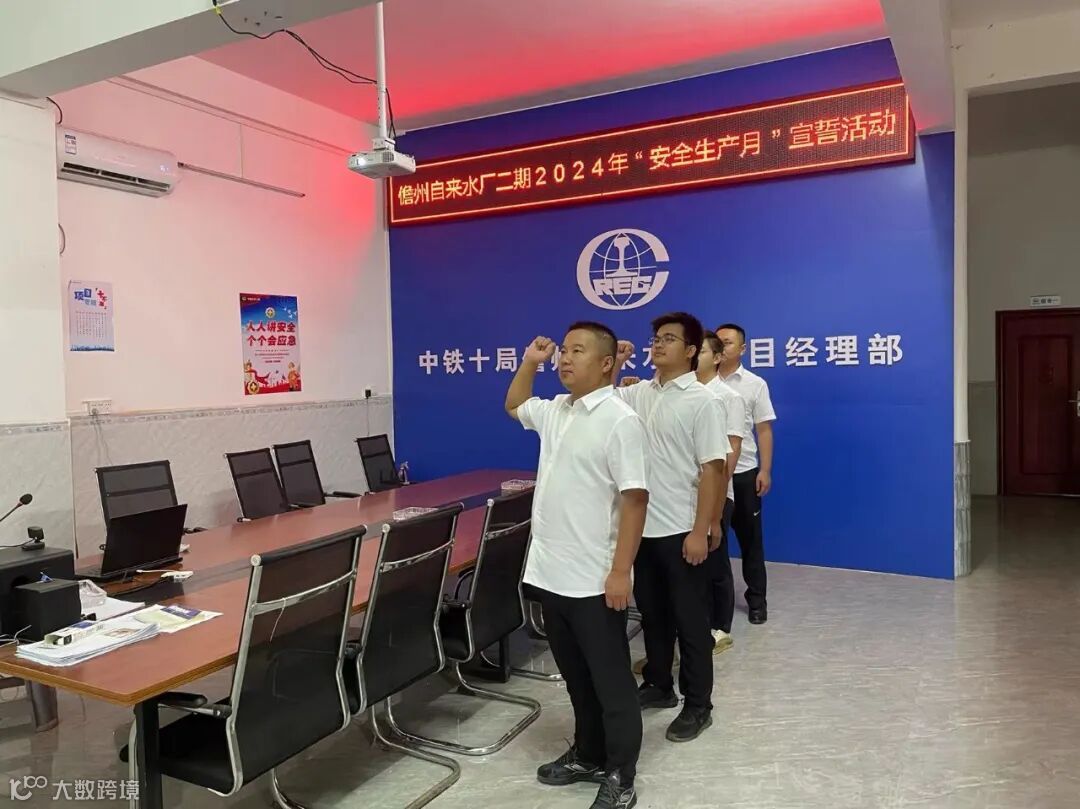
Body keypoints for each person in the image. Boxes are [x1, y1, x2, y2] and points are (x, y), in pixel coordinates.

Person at [505, 322, 649, 809]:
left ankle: (621, 775)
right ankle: (588, 754)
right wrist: (531, 361)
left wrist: (621, 571)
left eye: (578, 351)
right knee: (576, 676)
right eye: (563, 351)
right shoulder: (557, 410)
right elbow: (514, 404)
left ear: (607, 363)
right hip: (551, 572)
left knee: (612, 681)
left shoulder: (619, 419)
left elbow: (634, 500)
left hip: (594, 577)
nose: (565, 359)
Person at [611, 312, 729, 743]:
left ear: (692, 350)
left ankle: (698, 705)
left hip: (681, 528)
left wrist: (702, 529)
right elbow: (604, 402)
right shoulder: (640, 393)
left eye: (669, 339)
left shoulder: (703, 401)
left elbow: (713, 469)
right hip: (641, 529)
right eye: (656, 338)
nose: (658, 344)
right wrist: (617, 363)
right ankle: (659, 684)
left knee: (691, 623)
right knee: (654, 615)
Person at [715, 323, 777, 624]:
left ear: (742, 349)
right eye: (717, 342)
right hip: (711, 474)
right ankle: (717, 606)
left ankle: (757, 601)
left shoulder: (755, 384)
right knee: (715, 544)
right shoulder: (701, 380)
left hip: (743, 473)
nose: (721, 347)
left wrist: (764, 469)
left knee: (751, 541)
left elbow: (763, 430)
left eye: (727, 342)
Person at [696, 333, 746, 651]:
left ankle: (720, 628)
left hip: (716, 493)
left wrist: (716, 503)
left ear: (716, 358)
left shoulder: (728, 397)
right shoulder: (683, 393)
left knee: (715, 562)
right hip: (686, 494)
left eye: (701, 351)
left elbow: (731, 452)